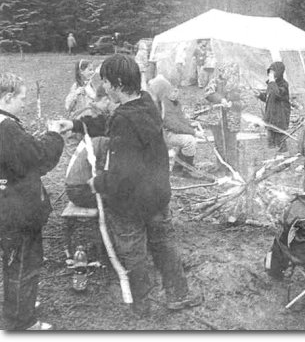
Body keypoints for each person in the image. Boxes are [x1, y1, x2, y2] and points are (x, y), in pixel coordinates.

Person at [55, 54, 202, 316]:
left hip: (130, 204)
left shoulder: (123, 117)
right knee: (164, 245)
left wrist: (95, 182)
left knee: (134, 253)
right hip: (157, 196)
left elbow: (121, 175)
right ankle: (178, 294)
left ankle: (141, 306)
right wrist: (77, 124)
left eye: (107, 82)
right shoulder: (146, 103)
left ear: (118, 83)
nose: (106, 87)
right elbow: (110, 125)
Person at [0, 73, 65, 330]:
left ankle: (20, 304)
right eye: (22, 98)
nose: (24, 104)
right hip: (18, 212)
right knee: (23, 263)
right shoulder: (7, 128)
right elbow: (38, 159)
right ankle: (21, 323)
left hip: (6, 207)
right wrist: (53, 134)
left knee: (14, 261)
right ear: (7, 97)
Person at [147, 74, 203, 178]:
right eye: (171, 91)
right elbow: (173, 125)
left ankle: (180, 165)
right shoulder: (164, 103)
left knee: (189, 138)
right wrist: (193, 132)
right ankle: (188, 170)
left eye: (176, 91)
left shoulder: (176, 103)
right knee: (189, 140)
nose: (173, 94)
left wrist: (190, 124)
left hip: (170, 132)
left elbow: (180, 119)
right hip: (166, 134)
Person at [63, 136, 109, 260]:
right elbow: (101, 174)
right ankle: (108, 245)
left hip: (74, 188)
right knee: (117, 201)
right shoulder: (104, 143)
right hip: (80, 191)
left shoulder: (93, 139)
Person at [204, 62, 243, 173]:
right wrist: (221, 100)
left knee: (231, 145)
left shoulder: (238, 85)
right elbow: (208, 93)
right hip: (217, 119)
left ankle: (232, 168)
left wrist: (233, 104)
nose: (224, 73)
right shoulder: (214, 81)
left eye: (226, 71)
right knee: (219, 144)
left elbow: (245, 101)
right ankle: (221, 167)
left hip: (232, 120)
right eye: (222, 71)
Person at [255, 61, 291, 153]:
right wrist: (260, 95)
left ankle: (284, 161)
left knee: (280, 141)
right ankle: (273, 161)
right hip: (271, 118)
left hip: (280, 120)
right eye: (270, 72)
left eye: (272, 72)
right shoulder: (271, 85)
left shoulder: (284, 85)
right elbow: (269, 97)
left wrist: (272, 82)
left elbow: (277, 94)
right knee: (271, 142)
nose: (270, 74)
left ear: (278, 73)